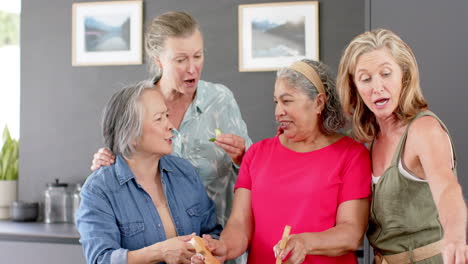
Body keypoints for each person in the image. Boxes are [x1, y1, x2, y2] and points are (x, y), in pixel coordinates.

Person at [192, 59, 372, 264]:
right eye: (276, 102)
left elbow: (351, 232)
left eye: (287, 101)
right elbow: (240, 225)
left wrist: (305, 242)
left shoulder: (351, 155)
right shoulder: (256, 154)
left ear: (319, 103)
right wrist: (223, 247)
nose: (278, 112)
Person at [90, 11, 252, 229]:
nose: (192, 68)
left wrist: (243, 157)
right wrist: (107, 161)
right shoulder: (138, 104)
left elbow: (254, 172)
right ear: (158, 60)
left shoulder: (221, 100)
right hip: (160, 246)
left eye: (198, 56)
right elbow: (123, 167)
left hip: (222, 241)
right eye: (181, 59)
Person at [337, 28, 467, 264]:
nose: (377, 87)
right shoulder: (362, 142)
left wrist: (456, 238)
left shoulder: (423, 130)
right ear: (354, 86)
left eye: (386, 74)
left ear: (404, 76)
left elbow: (447, 188)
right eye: (365, 79)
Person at [76, 81, 222, 264]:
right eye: (159, 118)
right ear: (131, 134)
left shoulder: (185, 173)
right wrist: (159, 252)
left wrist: (206, 251)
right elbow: (100, 259)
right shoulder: (99, 190)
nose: (170, 126)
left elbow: (212, 233)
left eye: (167, 116)